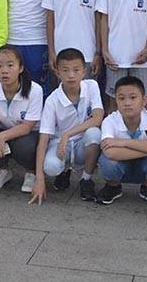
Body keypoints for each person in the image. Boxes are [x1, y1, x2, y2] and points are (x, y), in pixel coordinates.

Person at [33, 48, 104, 203]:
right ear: (58, 73)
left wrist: (67, 134)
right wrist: (39, 179)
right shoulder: (52, 100)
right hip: (61, 146)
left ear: (84, 71)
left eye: (76, 70)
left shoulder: (92, 86)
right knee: (51, 167)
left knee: (94, 133)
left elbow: (98, 118)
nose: (71, 75)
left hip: (82, 143)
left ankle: (86, 178)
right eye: (65, 70)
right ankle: (63, 170)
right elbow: (43, 140)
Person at [96, 75, 147, 206]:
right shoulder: (110, 120)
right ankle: (113, 186)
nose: (127, 103)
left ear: (144, 100)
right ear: (116, 100)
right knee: (108, 163)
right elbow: (110, 153)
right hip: (120, 165)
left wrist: (123, 143)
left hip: (145, 166)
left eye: (133, 97)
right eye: (121, 98)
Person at [0, 45, 44, 195]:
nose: (4, 70)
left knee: (25, 146)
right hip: (1, 129)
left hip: (28, 133)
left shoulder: (35, 90)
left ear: (20, 68)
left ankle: (31, 172)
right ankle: (1, 170)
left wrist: (2, 137)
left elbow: (27, 126)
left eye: (10, 65)